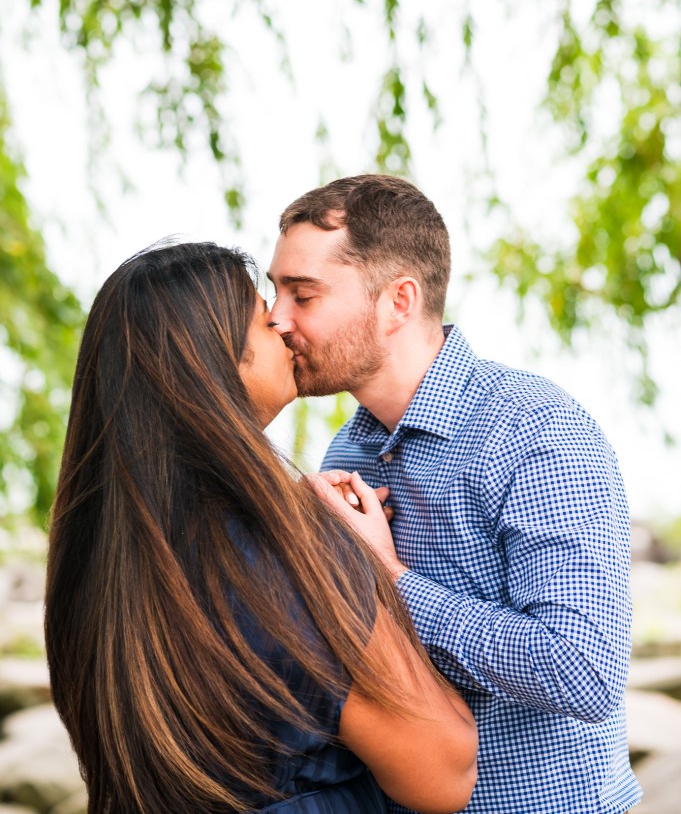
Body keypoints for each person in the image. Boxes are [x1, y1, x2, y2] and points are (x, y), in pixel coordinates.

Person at [44, 241, 478, 814]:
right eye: (262, 316)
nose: (282, 324)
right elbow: (446, 769)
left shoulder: (92, 565)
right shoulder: (288, 559)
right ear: (215, 364)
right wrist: (368, 567)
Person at [268, 175, 643, 814]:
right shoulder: (345, 457)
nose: (276, 317)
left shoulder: (536, 430)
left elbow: (583, 671)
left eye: (303, 294)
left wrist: (389, 576)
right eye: (276, 293)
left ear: (398, 301)